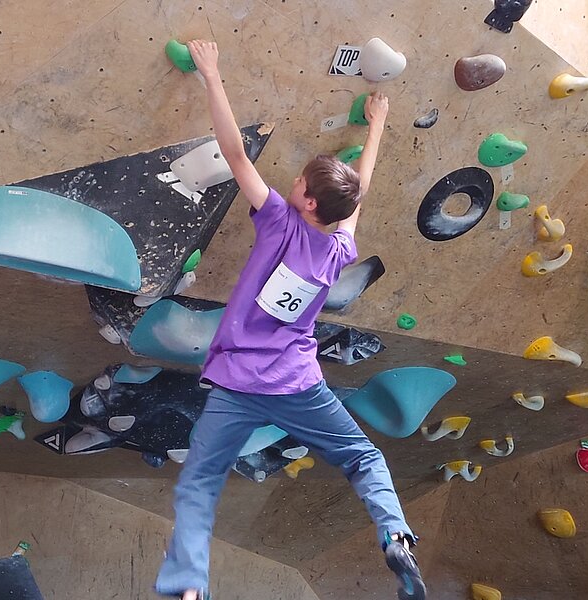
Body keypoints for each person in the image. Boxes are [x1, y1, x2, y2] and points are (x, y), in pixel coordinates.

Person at [155, 39, 426, 600]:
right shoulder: (338, 250)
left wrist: (212, 73)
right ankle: (395, 534)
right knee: (363, 456)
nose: (293, 183)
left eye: (300, 182)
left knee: (201, 482)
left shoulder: (278, 220)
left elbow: (234, 154)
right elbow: (359, 195)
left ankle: (188, 587)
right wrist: (377, 125)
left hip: (236, 383)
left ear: (306, 202)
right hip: (296, 383)